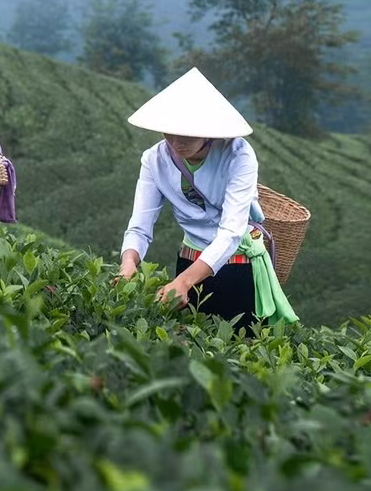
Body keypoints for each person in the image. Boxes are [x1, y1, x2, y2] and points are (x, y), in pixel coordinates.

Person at [117, 66, 291, 332]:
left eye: (187, 133)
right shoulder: (155, 159)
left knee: (237, 350)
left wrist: (185, 282)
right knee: (186, 341)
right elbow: (140, 224)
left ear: (209, 130)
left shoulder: (237, 155)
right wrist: (128, 263)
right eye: (169, 132)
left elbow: (231, 232)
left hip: (236, 266)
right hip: (189, 258)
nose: (176, 142)